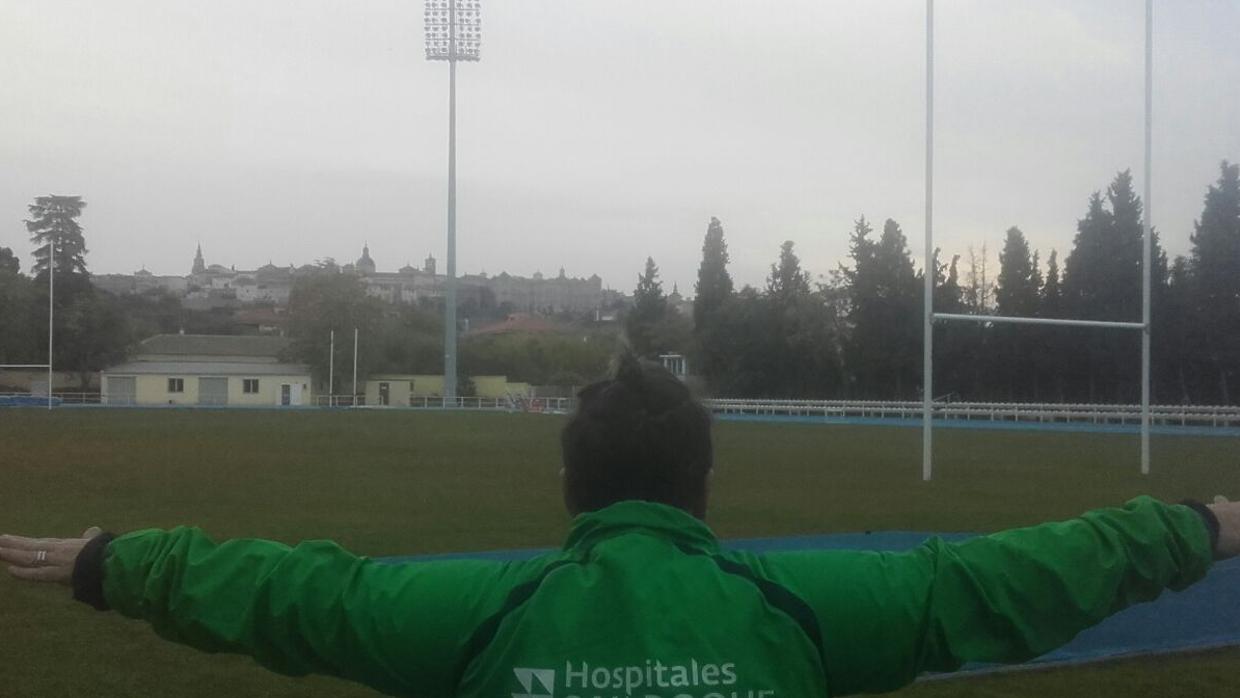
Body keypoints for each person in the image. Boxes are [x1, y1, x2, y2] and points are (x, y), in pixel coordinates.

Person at [3, 356, 1237, 698]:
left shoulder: (480, 612)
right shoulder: (810, 608)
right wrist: (1212, 520)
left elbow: (295, 594)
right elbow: (1034, 569)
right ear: (702, 482)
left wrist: (116, 560)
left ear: (568, 485)